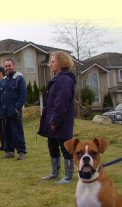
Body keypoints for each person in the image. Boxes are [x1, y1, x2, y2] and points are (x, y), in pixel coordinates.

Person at [38, 51, 77, 184]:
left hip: (61, 122)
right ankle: (54, 173)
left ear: (61, 63)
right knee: (52, 146)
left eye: (53, 62)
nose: (50, 64)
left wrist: (55, 121)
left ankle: (68, 176)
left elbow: (61, 103)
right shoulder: (57, 79)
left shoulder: (65, 80)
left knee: (65, 148)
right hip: (52, 121)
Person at [0, 58, 27, 160]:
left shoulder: (19, 79)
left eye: (9, 66)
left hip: (14, 112)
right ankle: (9, 151)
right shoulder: (3, 81)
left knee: (17, 132)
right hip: (4, 113)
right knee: (6, 133)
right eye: (6, 66)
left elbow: (22, 95)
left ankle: (22, 152)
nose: (8, 68)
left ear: (14, 66)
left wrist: (17, 108)